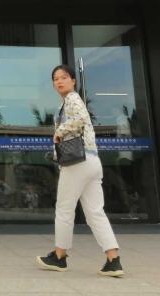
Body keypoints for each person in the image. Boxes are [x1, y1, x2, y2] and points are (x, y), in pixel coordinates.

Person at [36, 64, 124, 278]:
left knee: (64, 209)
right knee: (95, 212)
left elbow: (80, 120)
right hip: (92, 161)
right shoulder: (68, 102)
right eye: (55, 78)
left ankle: (59, 257)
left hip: (77, 163)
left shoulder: (72, 98)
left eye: (64, 77)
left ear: (73, 81)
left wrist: (59, 131)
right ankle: (113, 260)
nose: (59, 81)